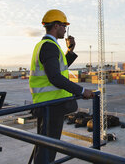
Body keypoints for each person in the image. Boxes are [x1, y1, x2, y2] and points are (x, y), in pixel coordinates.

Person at [29, 9, 94, 163]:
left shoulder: (45, 45)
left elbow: (56, 69)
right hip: (52, 105)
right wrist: (82, 90)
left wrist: (70, 50)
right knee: (48, 150)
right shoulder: (49, 46)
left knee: (45, 148)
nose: (65, 29)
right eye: (64, 25)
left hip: (48, 104)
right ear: (57, 25)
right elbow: (55, 77)